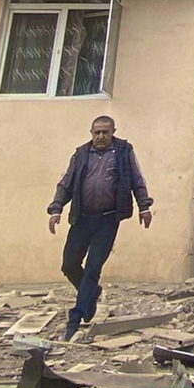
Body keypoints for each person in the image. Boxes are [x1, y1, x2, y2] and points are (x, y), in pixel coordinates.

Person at [48, 115, 153, 339]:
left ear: (113, 131)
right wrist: (56, 209)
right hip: (82, 218)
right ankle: (91, 294)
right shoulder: (81, 153)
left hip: (107, 220)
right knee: (69, 265)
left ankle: (74, 320)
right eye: (97, 132)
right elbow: (66, 183)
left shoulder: (124, 152)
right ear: (91, 133)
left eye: (106, 132)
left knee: (93, 269)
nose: (101, 136)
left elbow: (136, 179)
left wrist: (144, 206)